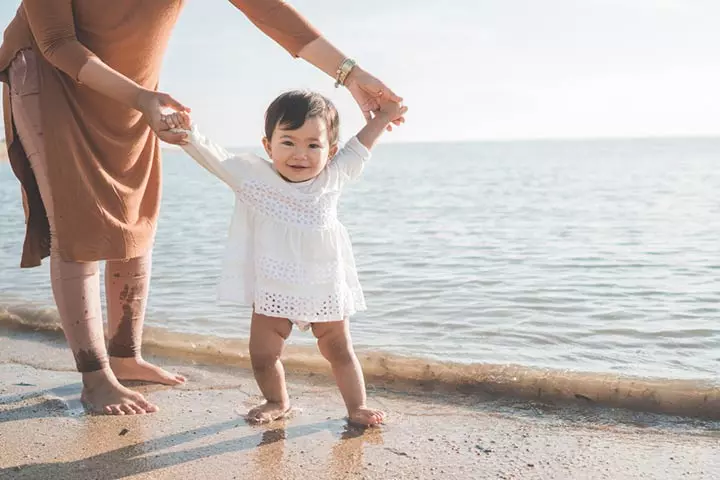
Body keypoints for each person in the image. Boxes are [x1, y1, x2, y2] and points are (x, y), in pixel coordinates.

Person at [0, 1, 404, 416]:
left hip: (138, 88)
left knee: (136, 215)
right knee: (79, 220)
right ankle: (96, 377)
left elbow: (267, 10)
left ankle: (126, 356)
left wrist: (351, 75)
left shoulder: (329, 174)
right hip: (58, 75)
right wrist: (143, 99)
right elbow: (57, 43)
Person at [167, 90, 407, 426]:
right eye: (288, 142)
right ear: (268, 146)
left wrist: (383, 116)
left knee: (339, 349)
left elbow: (361, 145)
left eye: (313, 145)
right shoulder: (252, 177)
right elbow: (214, 158)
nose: (300, 154)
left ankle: (357, 406)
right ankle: (277, 400)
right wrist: (188, 132)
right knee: (263, 354)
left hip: (323, 284)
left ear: (331, 151)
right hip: (273, 282)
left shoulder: (332, 177)